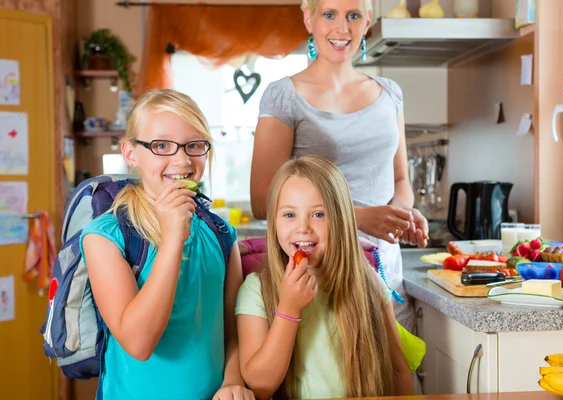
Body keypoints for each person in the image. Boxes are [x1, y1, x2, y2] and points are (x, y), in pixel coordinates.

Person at [249, 0, 428, 333]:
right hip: (318, 266)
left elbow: (401, 181)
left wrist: (400, 214)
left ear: (368, 21)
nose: (342, 28)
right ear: (308, 18)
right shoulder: (284, 96)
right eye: (329, 14)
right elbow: (263, 200)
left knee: (397, 375)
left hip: (385, 265)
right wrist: (358, 218)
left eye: (353, 16)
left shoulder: (390, 94)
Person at [80, 89, 254, 400]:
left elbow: (234, 327)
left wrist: (232, 380)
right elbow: (138, 343)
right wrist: (173, 239)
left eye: (195, 145)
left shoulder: (222, 233)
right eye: (161, 145)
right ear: (131, 153)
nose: (183, 160)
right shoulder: (105, 235)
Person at [237, 155, 414, 400]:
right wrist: (288, 309)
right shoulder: (256, 289)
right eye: (289, 215)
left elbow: (397, 370)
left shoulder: (368, 281)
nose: (303, 227)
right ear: (273, 223)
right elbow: (260, 386)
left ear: (341, 220)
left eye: (319, 214)